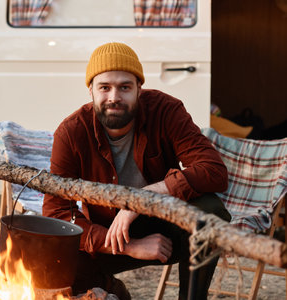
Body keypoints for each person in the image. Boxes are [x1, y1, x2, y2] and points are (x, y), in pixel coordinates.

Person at [42, 42, 231, 299]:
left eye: (125, 87)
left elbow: (214, 171)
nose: (114, 97)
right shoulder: (71, 133)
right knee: (52, 257)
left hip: (165, 226)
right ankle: (109, 289)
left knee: (211, 211)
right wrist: (130, 247)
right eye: (105, 87)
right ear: (91, 90)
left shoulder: (166, 111)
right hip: (111, 235)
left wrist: (140, 200)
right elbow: (57, 213)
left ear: (139, 89)